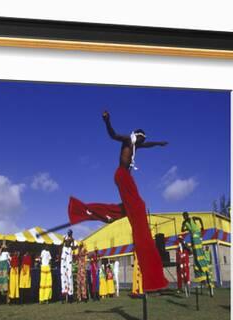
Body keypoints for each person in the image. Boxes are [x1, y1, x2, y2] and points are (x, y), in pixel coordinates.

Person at [68, 111, 169, 292]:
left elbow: (148, 144)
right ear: (136, 135)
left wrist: (159, 143)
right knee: (138, 206)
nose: (141, 144)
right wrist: (107, 121)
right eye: (141, 140)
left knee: (127, 209)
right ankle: (101, 213)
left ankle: (91, 211)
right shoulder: (128, 140)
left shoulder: (137, 145)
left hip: (125, 178)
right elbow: (113, 135)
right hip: (122, 175)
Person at [181, 211, 210, 284]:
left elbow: (199, 218)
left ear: (188, 215)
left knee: (194, 239)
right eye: (184, 217)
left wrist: (202, 226)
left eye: (186, 216)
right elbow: (182, 230)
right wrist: (186, 228)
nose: (185, 217)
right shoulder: (184, 223)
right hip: (193, 236)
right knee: (196, 254)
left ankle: (203, 265)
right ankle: (201, 276)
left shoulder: (193, 218)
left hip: (197, 233)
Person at [60, 229, 75, 302]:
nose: (69, 234)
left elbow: (73, 247)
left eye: (70, 233)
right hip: (64, 253)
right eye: (68, 233)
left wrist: (72, 243)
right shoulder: (65, 237)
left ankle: (70, 296)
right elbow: (62, 244)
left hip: (69, 253)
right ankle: (63, 295)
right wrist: (64, 241)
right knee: (63, 274)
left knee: (69, 275)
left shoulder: (72, 239)